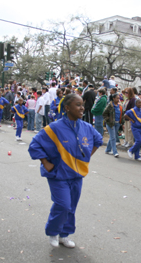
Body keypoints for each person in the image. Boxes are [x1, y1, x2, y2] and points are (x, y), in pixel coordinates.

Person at [28, 94, 102, 248]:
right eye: (77, 104)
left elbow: (98, 140)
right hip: (59, 175)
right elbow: (34, 145)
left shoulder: (87, 127)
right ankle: (53, 232)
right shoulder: (54, 128)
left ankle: (64, 235)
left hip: (77, 176)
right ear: (67, 108)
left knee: (72, 207)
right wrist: (45, 162)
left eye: (82, 104)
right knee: (63, 205)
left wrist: (86, 158)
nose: (82, 108)